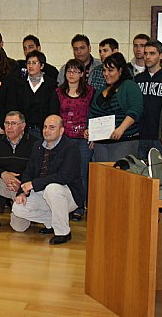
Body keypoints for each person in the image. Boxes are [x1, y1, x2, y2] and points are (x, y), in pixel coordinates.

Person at [11, 115, 84, 245]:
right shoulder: (38, 145)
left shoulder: (70, 147)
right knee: (18, 208)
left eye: (52, 127)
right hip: (43, 192)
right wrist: (22, 192)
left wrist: (34, 184)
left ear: (61, 130)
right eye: (45, 127)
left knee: (52, 188)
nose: (46, 130)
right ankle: (52, 222)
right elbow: (29, 171)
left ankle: (63, 232)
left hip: (68, 195)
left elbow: (64, 176)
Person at [0, 111, 36, 230]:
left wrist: (21, 186)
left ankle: (30, 214)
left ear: (23, 126)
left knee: (19, 228)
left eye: (13, 123)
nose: (9, 127)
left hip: (26, 190)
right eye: (7, 123)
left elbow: (37, 171)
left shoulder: (34, 143)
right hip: (6, 185)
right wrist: (3, 174)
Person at [56, 59, 94, 221]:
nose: (71, 74)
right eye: (69, 71)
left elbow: (94, 113)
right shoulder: (58, 92)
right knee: (63, 173)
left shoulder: (91, 92)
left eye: (76, 71)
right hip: (63, 140)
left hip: (83, 140)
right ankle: (64, 205)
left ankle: (79, 206)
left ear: (82, 74)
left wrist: (92, 132)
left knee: (82, 174)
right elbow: (55, 115)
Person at [88, 52, 143, 162]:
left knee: (120, 176)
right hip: (101, 144)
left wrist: (121, 129)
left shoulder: (129, 86)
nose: (106, 74)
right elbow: (93, 114)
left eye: (110, 70)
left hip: (124, 141)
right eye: (104, 70)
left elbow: (135, 110)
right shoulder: (100, 91)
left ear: (120, 70)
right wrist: (90, 132)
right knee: (101, 177)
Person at [134, 40, 162, 161]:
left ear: (161, 55)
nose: (148, 57)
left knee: (161, 173)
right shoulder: (137, 79)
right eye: (145, 53)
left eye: (152, 53)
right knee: (140, 173)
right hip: (140, 135)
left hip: (160, 136)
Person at [16, 50, 59, 140]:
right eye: (28, 63)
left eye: (34, 63)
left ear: (42, 66)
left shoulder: (51, 84)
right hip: (23, 130)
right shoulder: (19, 84)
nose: (30, 66)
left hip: (43, 130)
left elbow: (53, 109)